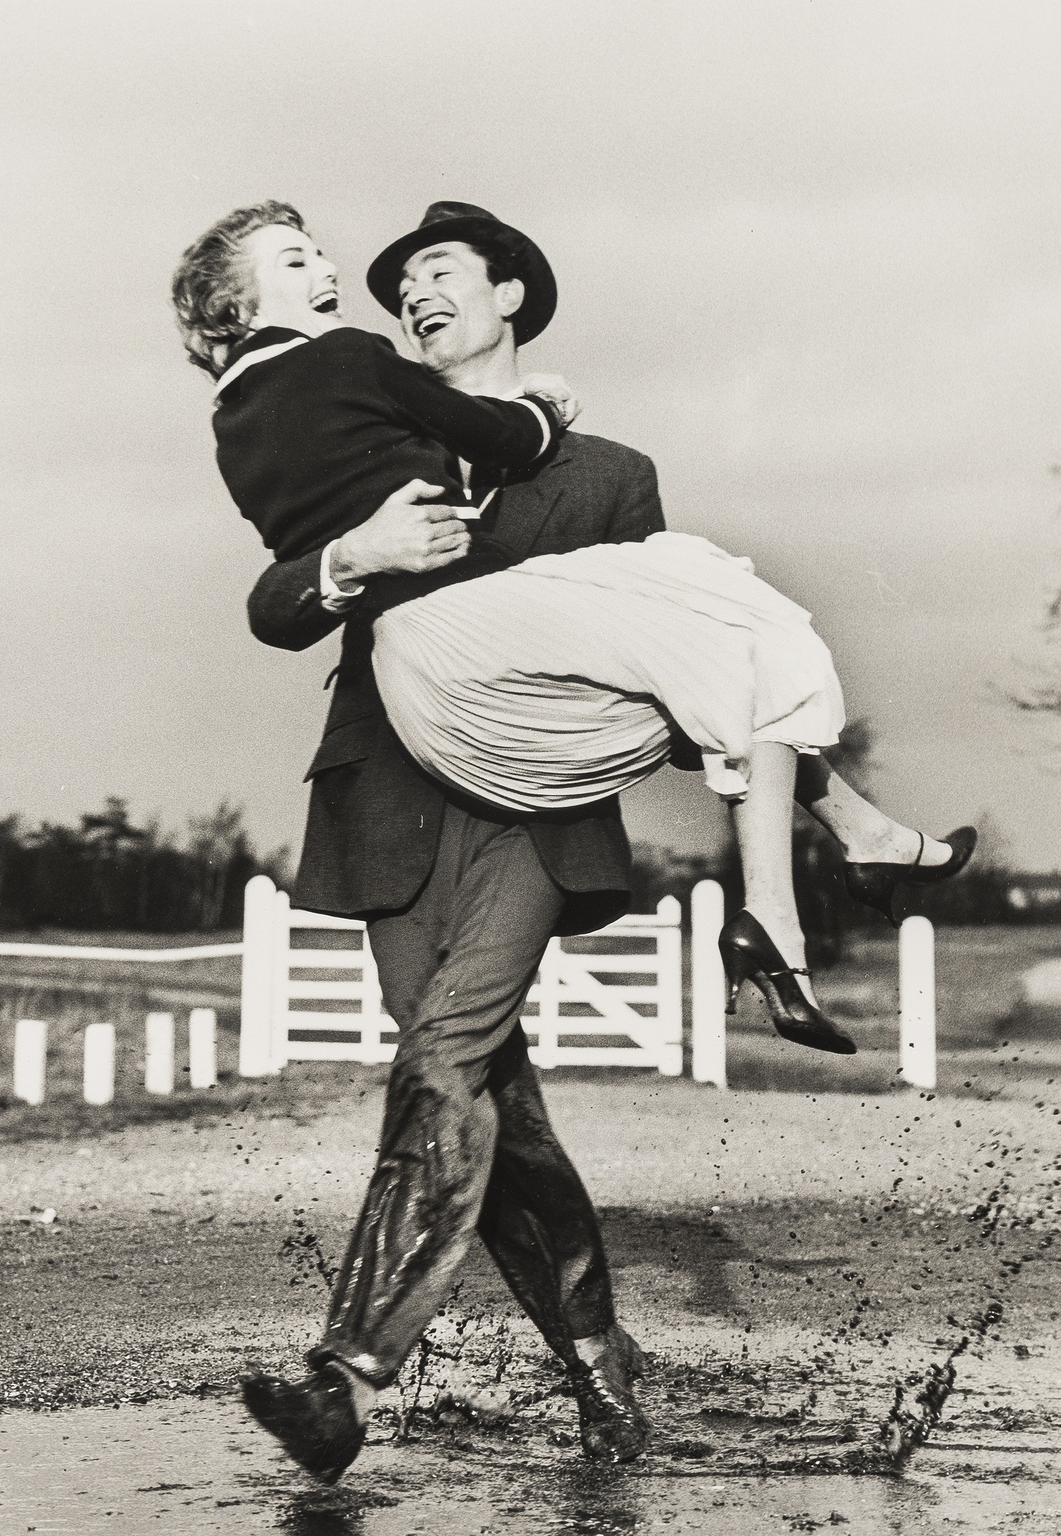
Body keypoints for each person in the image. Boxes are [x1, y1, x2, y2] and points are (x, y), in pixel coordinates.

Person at [172, 200, 975, 1482]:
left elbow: (656, 658)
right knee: (499, 1122)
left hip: (532, 819)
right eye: (400, 284)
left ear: (509, 297)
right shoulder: (362, 417)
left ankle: (345, 1376)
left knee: (441, 1055)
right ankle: (603, 1377)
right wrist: (349, 561)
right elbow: (274, 597)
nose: (415, 297)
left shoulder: (606, 477)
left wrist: (781, 781)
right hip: (384, 808)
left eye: (441, 275)